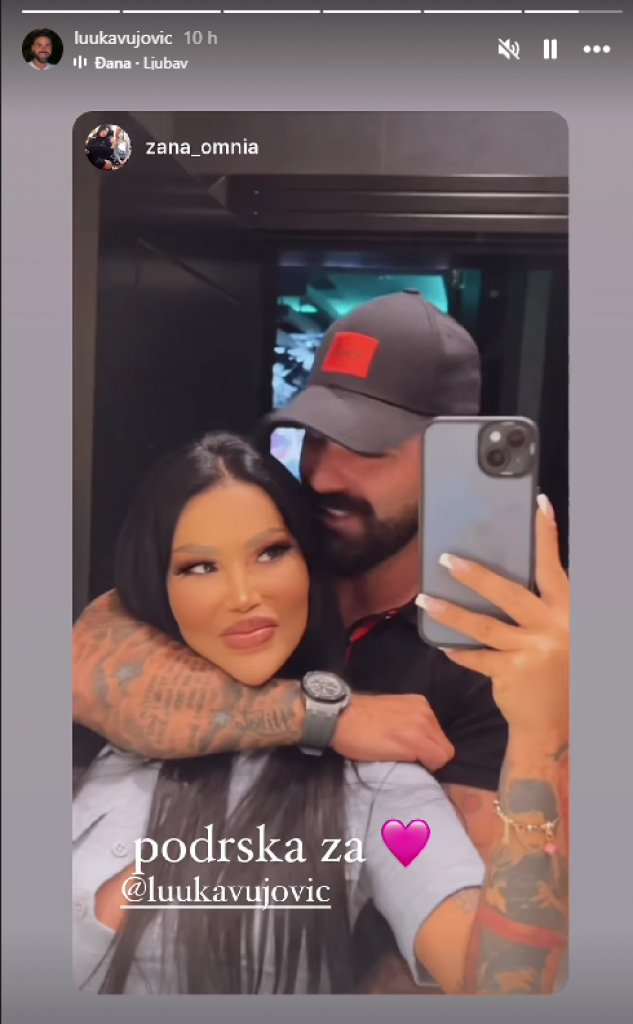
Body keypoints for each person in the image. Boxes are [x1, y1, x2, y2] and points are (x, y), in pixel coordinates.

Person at [72, 290, 568, 990]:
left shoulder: (491, 654)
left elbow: (481, 950)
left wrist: (548, 730)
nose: (324, 475)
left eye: (368, 450)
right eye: (316, 439)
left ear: (450, 460)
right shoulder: (270, 539)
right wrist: (325, 716)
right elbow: (90, 661)